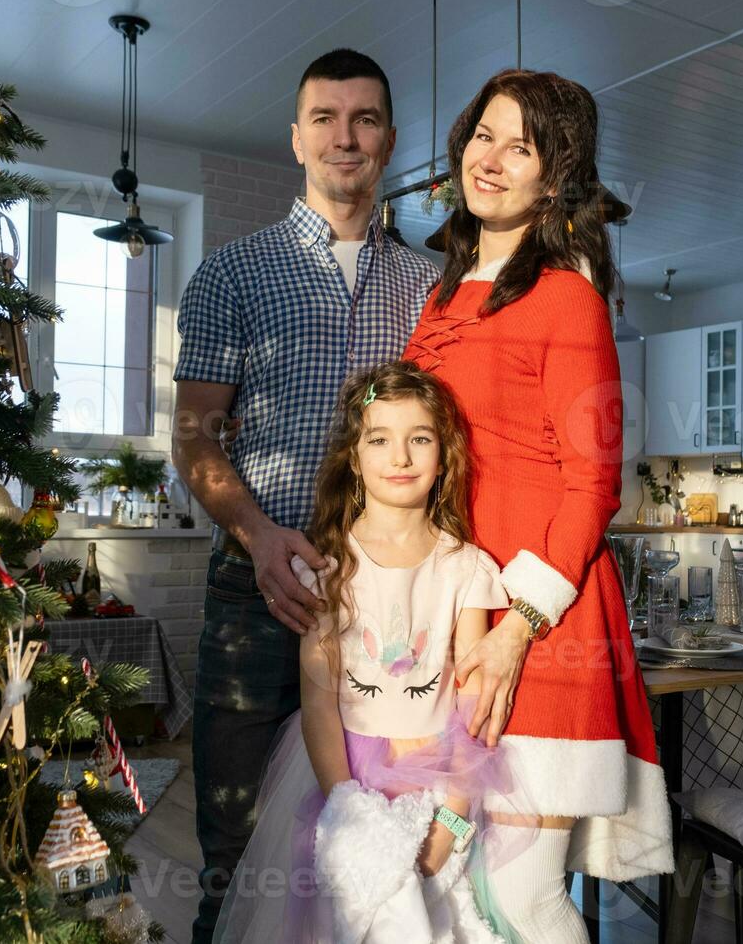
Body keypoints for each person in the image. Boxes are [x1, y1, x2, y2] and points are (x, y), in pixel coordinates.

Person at [173, 49, 440, 943]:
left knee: (378, 854)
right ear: (295, 138)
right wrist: (256, 534)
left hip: (388, 611)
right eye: (325, 117)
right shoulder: (231, 274)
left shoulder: (432, 286)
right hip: (255, 599)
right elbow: (195, 437)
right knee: (235, 854)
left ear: (391, 140)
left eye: (365, 118)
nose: (345, 136)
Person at [402, 69, 673, 942]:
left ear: (554, 178)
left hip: (543, 630)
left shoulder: (569, 299)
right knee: (455, 891)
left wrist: (518, 627)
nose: (493, 158)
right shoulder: (438, 299)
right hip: (456, 617)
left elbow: (594, 484)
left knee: (522, 898)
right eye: (484, 135)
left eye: (522, 146)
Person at [215, 361, 526, 942]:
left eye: (420, 439)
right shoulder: (329, 569)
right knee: (342, 923)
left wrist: (454, 815)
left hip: (436, 779)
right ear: (353, 459)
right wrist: (345, 808)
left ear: (445, 454)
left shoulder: (466, 569)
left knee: (436, 915)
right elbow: (319, 700)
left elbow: (472, 701)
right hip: (343, 774)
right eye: (379, 440)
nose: (401, 457)